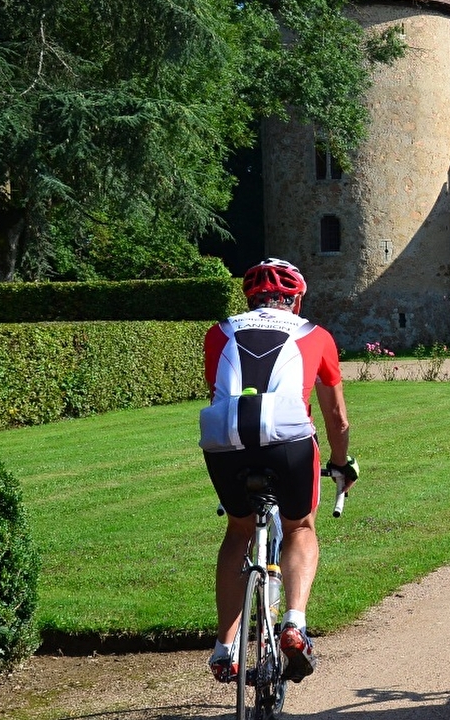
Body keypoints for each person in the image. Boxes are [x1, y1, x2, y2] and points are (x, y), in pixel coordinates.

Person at [199, 258, 358, 685]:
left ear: (249, 298)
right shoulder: (315, 334)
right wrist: (340, 464)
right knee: (300, 527)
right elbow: (336, 417)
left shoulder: (218, 332)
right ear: (296, 299)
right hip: (288, 439)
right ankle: (293, 624)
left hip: (225, 439)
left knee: (238, 531)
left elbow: (219, 391)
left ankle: (224, 648)